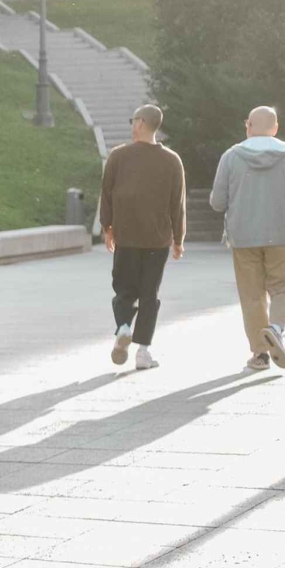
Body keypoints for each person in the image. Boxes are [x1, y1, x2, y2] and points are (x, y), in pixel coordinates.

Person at [209, 106, 285, 371]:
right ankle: (275, 328)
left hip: (244, 237)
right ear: (276, 127)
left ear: (248, 126)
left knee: (252, 295)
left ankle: (260, 354)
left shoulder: (231, 156)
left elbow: (217, 202)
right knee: (284, 288)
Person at [100, 104, 186, 370]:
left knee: (124, 289)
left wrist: (107, 227)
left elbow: (107, 193)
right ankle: (143, 352)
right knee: (150, 294)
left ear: (140, 123)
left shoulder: (118, 156)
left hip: (126, 237)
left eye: (132, 120)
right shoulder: (172, 160)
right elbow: (177, 204)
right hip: (157, 239)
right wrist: (179, 238)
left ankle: (124, 326)